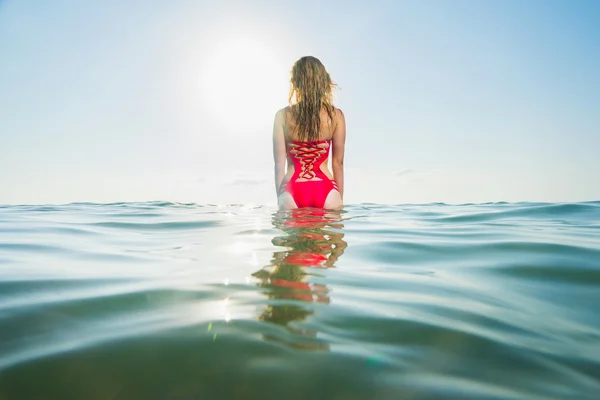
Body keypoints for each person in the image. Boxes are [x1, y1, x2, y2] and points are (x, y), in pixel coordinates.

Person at [272, 56, 346, 210]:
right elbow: (338, 164)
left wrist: (280, 199)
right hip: (326, 190)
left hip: (292, 190)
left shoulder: (282, 116)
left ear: (296, 83)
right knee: (331, 233)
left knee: (287, 234)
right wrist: (339, 199)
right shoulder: (336, 116)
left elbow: (279, 164)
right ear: (324, 82)